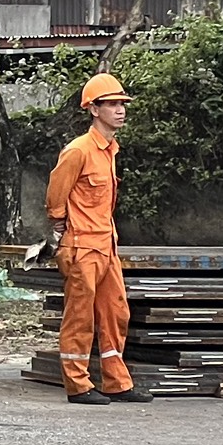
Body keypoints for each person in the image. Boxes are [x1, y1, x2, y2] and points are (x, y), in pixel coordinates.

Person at [46, 72, 149, 406]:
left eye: (122, 104)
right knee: (80, 317)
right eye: (112, 104)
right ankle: (77, 385)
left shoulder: (110, 150)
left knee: (116, 313)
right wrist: (62, 229)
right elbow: (55, 198)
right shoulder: (78, 151)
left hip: (106, 245)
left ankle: (117, 382)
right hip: (82, 247)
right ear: (93, 109)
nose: (121, 110)